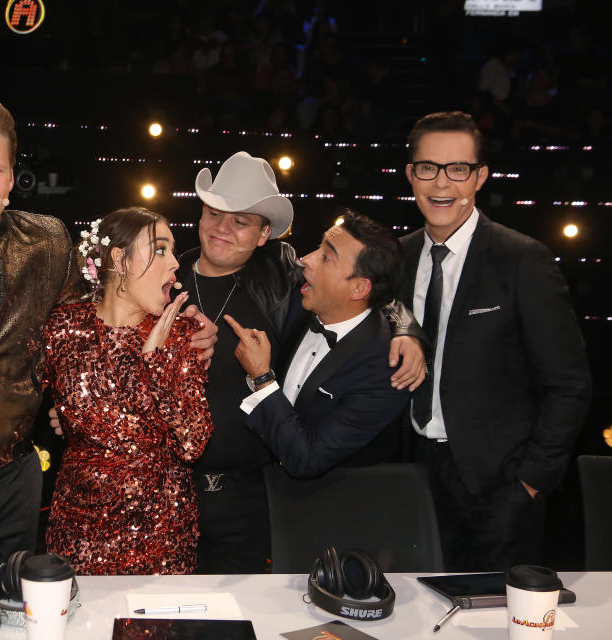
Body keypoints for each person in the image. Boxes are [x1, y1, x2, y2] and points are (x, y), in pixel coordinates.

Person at [0, 97, 216, 576]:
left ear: (11, 178)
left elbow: (102, 312)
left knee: (17, 618)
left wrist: (188, 333)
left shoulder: (46, 244)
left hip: (16, 488)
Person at [175, 151, 425, 574]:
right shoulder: (166, 277)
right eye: (215, 212)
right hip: (163, 488)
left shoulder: (280, 279)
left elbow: (369, 297)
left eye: (241, 220)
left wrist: (407, 329)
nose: (222, 227)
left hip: (252, 498)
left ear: (262, 234)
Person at [398, 111, 591, 571]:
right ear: (411, 175)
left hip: (498, 489)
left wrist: (529, 482)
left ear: (480, 177)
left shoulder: (523, 260)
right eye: (428, 168)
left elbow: (570, 384)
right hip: (410, 475)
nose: (442, 183)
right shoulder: (398, 256)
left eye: (458, 169)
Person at [42, 208, 214, 575]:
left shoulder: (182, 336)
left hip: (161, 537)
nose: (174, 265)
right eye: (161, 249)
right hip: (79, 531)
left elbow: (192, 444)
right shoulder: (62, 326)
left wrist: (155, 359)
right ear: (119, 258)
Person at [225, 211, 409, 476]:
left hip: (328, 509)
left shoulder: (387, 370)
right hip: (262, 493)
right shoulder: (298, 305)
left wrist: (262, 377)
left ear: (358, 288)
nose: (305, 260)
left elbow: (307, 459)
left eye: (326, 257)